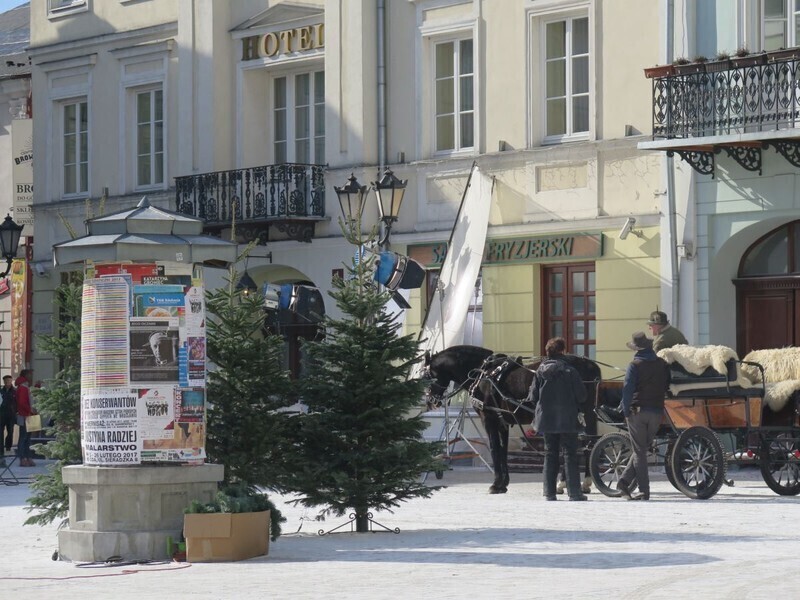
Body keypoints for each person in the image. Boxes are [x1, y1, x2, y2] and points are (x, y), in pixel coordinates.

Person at [529, 337, 588, 501]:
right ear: (562, 351)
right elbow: (582, 396)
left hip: (546, 419)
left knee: (550, 453)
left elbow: (533, 397)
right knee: (570, 454)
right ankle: (575, 493)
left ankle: (549, 492)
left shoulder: (540, 371)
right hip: (568, 418)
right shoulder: (570, 371)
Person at [617, 332, 670, 501]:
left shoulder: (635, 364)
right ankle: (623, 483)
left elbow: (627, 389)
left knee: (639, 451)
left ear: (637, 348)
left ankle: (643, 490)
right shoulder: (662, 363)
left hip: (637, 412)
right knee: (641, 449)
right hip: (656, 412)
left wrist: (625, 410)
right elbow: (667, 384)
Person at [14, 369, 36, 467]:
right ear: (26, 375)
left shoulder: (25, 386)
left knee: (27, 437)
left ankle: (27, 457)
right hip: (25, 415)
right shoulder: (23, 387)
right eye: (30, 374)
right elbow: (22, 402)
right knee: (24, 437)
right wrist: (30, 411)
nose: (31, 376)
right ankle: (23, 458)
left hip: (27, 415)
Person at [0, 375, 16, 457]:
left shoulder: (14, 391)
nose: (7, 383)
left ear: (11, 381)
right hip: (2, 414)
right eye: (6, 381)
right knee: (0, 432)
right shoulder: (1, 391)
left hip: (11, 414)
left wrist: (15, 411)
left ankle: (8, 445)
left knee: (10, 431)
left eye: (9, 381)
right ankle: (1, 448)